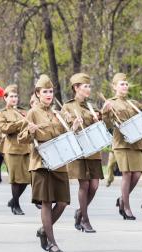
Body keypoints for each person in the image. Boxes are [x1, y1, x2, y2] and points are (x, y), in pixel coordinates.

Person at [18, 74, 82, 252]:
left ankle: (43, 230)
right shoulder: (32, 113)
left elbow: (65, 135)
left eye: (51, 91)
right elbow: (22, 138)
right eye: (45, 91)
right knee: (46, 202)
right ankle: (52, 242)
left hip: (59, 162)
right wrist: (30, 132)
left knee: (62, 202)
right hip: (41, 163)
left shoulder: (57, 114)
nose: (48, 94)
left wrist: (74, 127)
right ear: (37, 93)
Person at [101, 73, 142, 220]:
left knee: (137, 174)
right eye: (121, 84)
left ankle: (121, 200)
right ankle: (126, 207)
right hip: (121, 143)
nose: (125, 86)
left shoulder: (132, 103)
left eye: (126, 83)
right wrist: (105, 112)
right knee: (127, 174)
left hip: (135, 143)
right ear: (114, 87)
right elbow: (107, 124)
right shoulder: (110, 102)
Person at [62, 73, 104, 233]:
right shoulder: (68, 106)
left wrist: (99, 119)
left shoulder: (91, 107)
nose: (89, 89)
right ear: (76, 88)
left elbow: (102, 126)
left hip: (93, 150)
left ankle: (80, 211)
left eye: (89, 86)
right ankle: (85, 219)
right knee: (84, 184)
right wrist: (73, 123)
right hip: (78, 150)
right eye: (85, 86)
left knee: (94, 185)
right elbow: (64, 127)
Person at [0, 84, 30, 215]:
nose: (14, 98)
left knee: (28, 178)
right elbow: (4, 128)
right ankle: (16, 205)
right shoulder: (2, 113)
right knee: (16, 179)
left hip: (25, 147)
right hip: (11, 148)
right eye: (11, 96)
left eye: (16, 96)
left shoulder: (24, 111)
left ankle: (13, 200)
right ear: (5, 98)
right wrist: (20, 123)